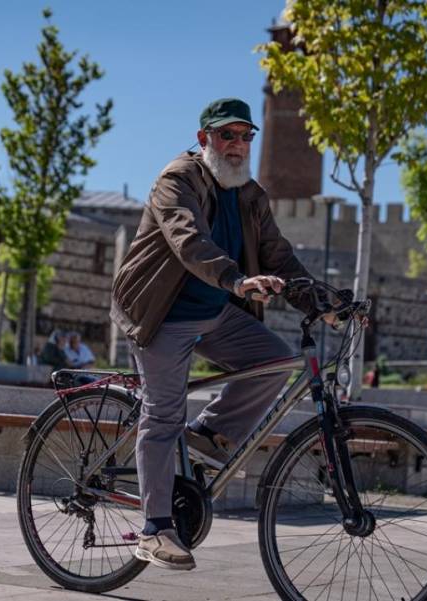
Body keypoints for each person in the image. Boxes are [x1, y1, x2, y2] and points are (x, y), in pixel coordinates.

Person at [109, 97, 320, 571]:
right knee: (163, 415)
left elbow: (279, 256)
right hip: (160, 312)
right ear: (204, 139)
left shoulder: (249, 194)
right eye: (227, 135)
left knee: (276, 362)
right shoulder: (177, 179)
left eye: (246, 136)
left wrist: (323, 301)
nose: (237, 145)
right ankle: (154, 530)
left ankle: (209, 434)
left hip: (213, 313)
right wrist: (236, 279)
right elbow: (187, 239)